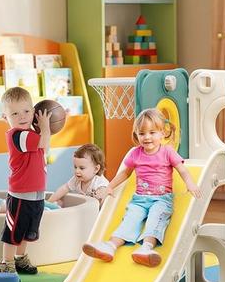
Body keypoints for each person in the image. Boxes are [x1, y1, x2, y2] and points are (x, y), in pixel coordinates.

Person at [83, 108, 201, 267]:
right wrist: (110, 187)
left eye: (152, 132)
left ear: (162, 133)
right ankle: (110, 247)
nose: (147, 137)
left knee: (155, 219)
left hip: (161, 200)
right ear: (136, 135)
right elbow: (125, 173)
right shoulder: (135, 153)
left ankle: (146, 248)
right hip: (139, 199)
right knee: (130, 220)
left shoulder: (168, 152)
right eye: (142, 133)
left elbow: (182, 170)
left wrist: (190, 182)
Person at [0, 87, 52, 274]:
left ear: (33, 112)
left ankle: (19, 259)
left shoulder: (31, 134)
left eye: (27, 111)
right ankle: (6, 262)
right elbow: (44, 142)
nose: (22, 117)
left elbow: (45, 147)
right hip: (20, 194)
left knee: (28, 231)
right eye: (14, 113)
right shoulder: (17, 135)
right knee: (13, 232)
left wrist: (42, 129)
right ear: (6, 118)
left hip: (36, 193)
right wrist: (45, 125)